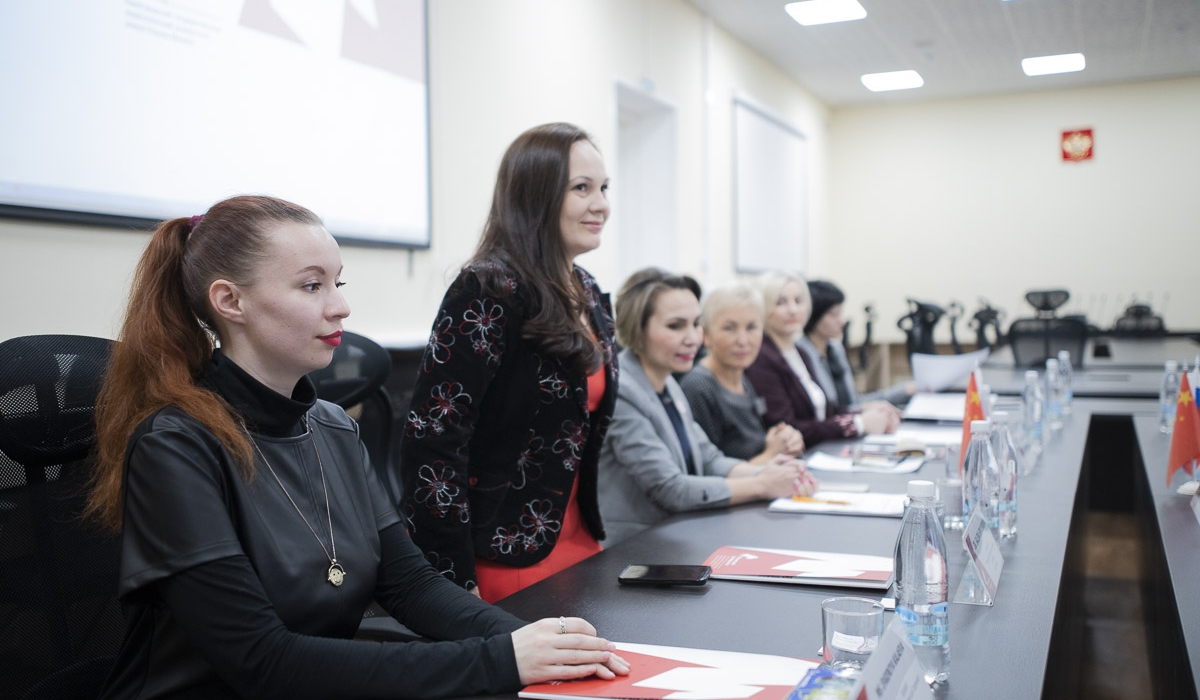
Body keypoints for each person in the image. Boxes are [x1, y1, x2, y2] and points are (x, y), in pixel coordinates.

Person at [87, 195, 627, 699]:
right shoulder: (175, 446)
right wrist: (502, 662)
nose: (341, 306)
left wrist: (534, 645)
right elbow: (258, 660)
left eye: (338, 283)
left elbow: (411, 584)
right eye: (311, 286)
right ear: (230, 301)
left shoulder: (331, 426)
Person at [400, 123, 618, 603]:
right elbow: (432, 442)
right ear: (535, 196)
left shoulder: (591, 293)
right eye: (581, 188)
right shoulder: (487, 289)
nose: (601, 203)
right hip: (502, 557)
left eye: (603, 188)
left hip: (583, 543)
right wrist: (450, 582)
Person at [598, 268, 817, 546]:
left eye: (695, 324)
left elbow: (709, 459)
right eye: (676, 326)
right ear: (636, 329)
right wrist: (763, 484)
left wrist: (776, 472)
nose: (692, 338)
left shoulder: (669, 384)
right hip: (634, 549)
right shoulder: (624, 391)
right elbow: (670, 488)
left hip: (679, 536)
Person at [745, 271, 900, 448]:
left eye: (798, 301)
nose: (793, 310)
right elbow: (787, 429)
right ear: (763, 309)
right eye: (781, 302)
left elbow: (827, 411)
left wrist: (866, 411)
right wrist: (859, 424)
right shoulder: (762, 358)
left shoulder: (798, 352)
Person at [679, 282, 805, 462]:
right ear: (706, 335)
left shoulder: (743, 377)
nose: (743, 340)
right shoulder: (699, 387)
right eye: (729, 328)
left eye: (752, 327)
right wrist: (772, 454)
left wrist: (786, 441)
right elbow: (709, 476)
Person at [797, 279, 916, 409]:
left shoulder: (835, 349)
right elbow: (829, 412)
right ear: (812, 316)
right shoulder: (800, 355)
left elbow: (853, 401)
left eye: (840, 313)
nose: (841, 321)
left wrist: (904, 390)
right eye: (834, 315)